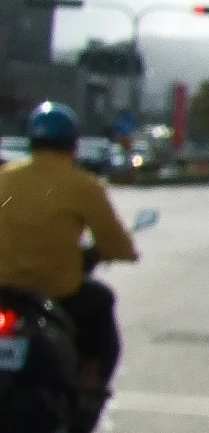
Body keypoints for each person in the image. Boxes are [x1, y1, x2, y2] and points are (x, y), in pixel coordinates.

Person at [0, 103, 138, 388]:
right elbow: (117, 245)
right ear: (73, 147)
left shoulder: (4, 179)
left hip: (4, 290)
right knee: (101, 302)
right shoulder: (84, 186)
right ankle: (90, 388)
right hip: (59, 294)